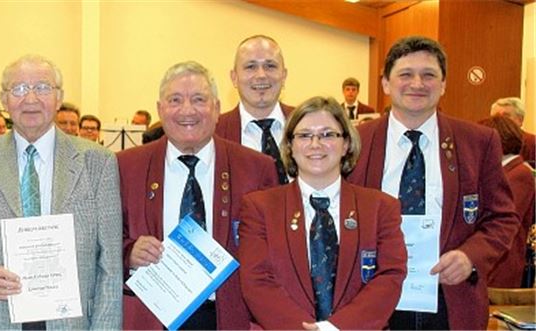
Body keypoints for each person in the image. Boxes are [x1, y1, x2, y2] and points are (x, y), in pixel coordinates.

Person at [0, 55, 122, 329]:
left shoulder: (98, 162)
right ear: (4, 99)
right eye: (19, 88)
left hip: (73, 322)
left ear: (59, 98)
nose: (31, 99)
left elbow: (110, 265)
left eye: (43, 87)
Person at [348, 36, 519, 330]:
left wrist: (470, 256)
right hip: (371, 298)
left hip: (449, 300)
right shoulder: (354, 142)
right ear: (386, 83)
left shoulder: (478, 142)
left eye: (429, 75)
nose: (417, 83)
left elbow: (503, 218)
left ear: (443, 85)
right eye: (405, 74)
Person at [118, 61, 279, 330]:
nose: (187, 110)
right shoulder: (125, 166)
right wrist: (128, 252)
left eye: (199, 100)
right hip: (151, 316)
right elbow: (102, 241)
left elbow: (274, 250)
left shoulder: (256, 168)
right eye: (175, 100)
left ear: (217, 109)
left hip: (229, 316)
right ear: (160, 109)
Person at [240, 96, 407, 329]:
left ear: (346, 144)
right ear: (290, 146)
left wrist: (335, 328)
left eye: (328, 134)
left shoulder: (381, 208)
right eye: (304, 135)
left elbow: (389, 276)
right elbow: (257, 280)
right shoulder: (260, 208)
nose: (315, 144)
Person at [216, 35, 294, 184]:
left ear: (284, 76)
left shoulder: (307, 124)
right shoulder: (215, 132)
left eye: (270, 66)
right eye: (250, 67)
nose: (261, 75)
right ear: (234, 78)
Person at [478, 115, 535, 288]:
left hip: (501, 266)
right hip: (491, 263)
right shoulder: (503, 171)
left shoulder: (520, 174)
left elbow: (503, 219)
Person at [491, 97, 535, 167]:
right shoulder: (486, 141)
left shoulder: (532, 143)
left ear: (520, 120)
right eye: (496, 117)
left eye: (506, 117)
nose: (501, 121)